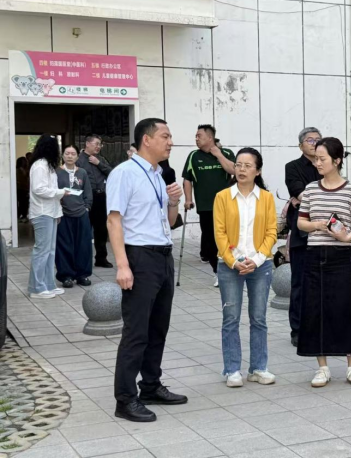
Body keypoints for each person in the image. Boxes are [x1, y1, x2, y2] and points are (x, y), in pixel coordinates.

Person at [107, 118, 187, 423]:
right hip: (139, 257)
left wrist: (174, 202)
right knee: (136, 331)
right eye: (165, 136)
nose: (170, 142)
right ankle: (125, 399)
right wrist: (122, 265)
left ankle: (151, 386)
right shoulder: (124, 173)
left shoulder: (158, 174)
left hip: (163, 256)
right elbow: (114, 220)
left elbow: (168, 221)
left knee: (157, 328)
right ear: (146, 140)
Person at [297, 137, 351, 388]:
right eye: (316, 159)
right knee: (316, 311)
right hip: (315, 255)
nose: (317, 163)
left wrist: (347, 237)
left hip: (341, 256)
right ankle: (322, 368)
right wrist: (318, 224)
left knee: (345, 309)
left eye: (322, 159)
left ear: (337, 161)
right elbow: (301, 223)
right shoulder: (310, 189)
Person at [214, 148, 277, 388]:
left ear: (257, 171)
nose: (241, 169)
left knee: (258, 318)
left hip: (260, 265)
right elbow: (219, 233)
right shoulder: (222, 197)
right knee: (230, 318)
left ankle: (258, 368)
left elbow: (272, 232)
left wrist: (257, 259)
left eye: (247, 165)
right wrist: (233, 261)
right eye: (238, 165)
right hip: (229, 265)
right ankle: (232, 369)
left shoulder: (266, 198)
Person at [183, 124, 236, 287]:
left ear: (210, 138)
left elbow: (234, 171)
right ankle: (218, 271)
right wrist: (188, 199)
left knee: (228, 239)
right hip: (205, 206)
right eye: (196, 136)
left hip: (227, 206)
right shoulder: (193, 156)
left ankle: (231, 266)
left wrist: (218, 154)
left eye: (199, 135)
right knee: (210, 242)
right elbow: (187, 179)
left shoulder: (227, 153)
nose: (196, 138)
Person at [285, 127, 322, 347]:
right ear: (301, 145)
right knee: (299, 284)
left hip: (327, 234)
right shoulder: (293, 167)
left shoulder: (328, 166)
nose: (314, 143)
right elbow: (300, 193)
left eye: (318, 140)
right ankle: (297, 330)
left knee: (322, 284)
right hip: (302, 233)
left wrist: (306, 199)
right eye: (310, 140)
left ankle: (319, 327)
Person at [27, 135, 70, 300]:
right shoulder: (40, 166)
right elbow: (39, 189)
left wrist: (57, 212)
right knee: (42, 251)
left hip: (51, 212)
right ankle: (36, 288)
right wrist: (61, 192)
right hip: (42, 212)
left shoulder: (48, 166)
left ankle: (48, 284)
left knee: (50, 251)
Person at [56, 145, 93, 288]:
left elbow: (88, 192)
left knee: (84, 245)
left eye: (73, 154)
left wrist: (87, 207)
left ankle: (82, 275)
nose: (70, 156)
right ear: (63, 155)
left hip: (81, 214)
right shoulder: (57, 172)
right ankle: (66, 276)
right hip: (63, 214)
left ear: (77, 156)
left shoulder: (82, 172)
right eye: (67, 153)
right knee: (64, 245)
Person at [77, 134, 113, 268]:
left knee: (101, 229)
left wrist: (99, 164)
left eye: (100, 144)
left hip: (101, 197)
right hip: (85, 198)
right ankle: (83, 259)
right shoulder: (79, 160)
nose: (98, 147)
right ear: (87, 143)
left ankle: (101, 258)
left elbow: (112, 173)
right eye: (96, 144)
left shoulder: (101, 159)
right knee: (85, 229)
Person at [16, 157, 30, 223]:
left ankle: (24, 216)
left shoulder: (27, 170)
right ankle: (20, 216)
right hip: (20, 189)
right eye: (23, 161)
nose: (25, 162)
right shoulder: (18, 170)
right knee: (22, 203)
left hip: (25, 189)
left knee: (25, 203)